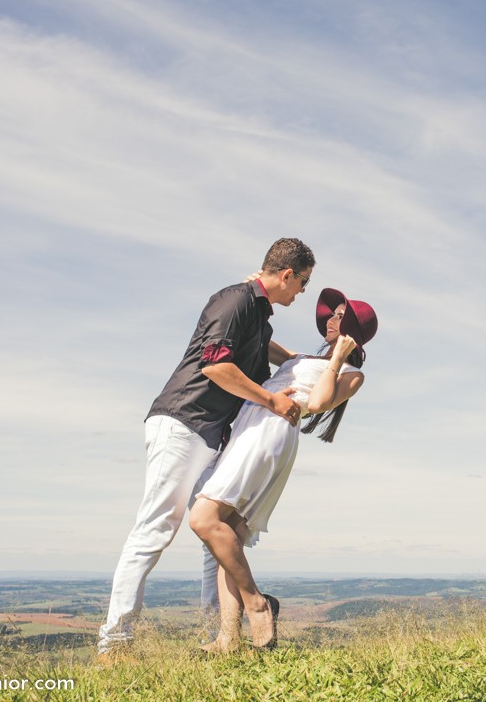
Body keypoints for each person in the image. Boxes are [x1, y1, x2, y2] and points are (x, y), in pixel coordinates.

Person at [97, 238, 315, 658]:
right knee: (155, 529)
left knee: (214, 529)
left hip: (209, 431)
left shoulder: (257, 311)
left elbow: (260, 346)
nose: (303, 292)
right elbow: (216, 365)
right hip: (183, 423)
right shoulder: (234, 300)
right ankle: (115, 643)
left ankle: (221, 634)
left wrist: (300, 359)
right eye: (303, 282)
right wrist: (272, 400)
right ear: (286, 274)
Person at [189, 287, 378, 652]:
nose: (332, 318)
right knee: (229, 536)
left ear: (354, 328)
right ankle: (229, 638)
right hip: (254, 422)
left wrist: (338, 357)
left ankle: (256, 604)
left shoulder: (352, 373)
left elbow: (320, 401)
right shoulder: (305, 356)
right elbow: (264, 342)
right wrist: (252, 298)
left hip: (270, 431)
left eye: (341, 316)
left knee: (204, 518)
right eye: (333, 313)